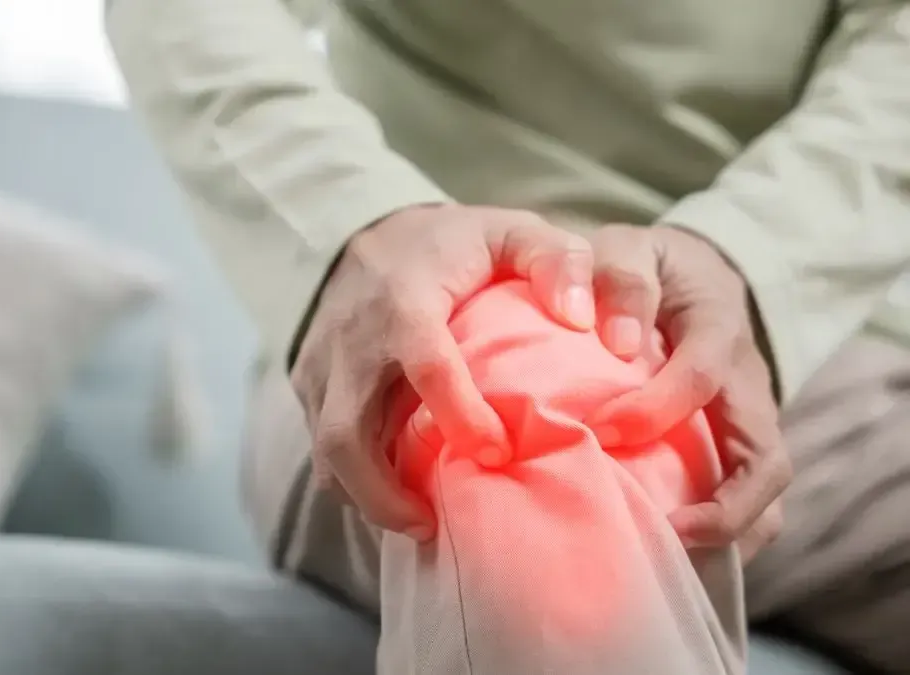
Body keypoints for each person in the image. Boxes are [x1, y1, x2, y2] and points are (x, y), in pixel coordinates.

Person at [107, 0, 910, 672]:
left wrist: (753, 259)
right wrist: (358, 225)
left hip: (825, 376)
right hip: (433, 321)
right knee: (514, 430)